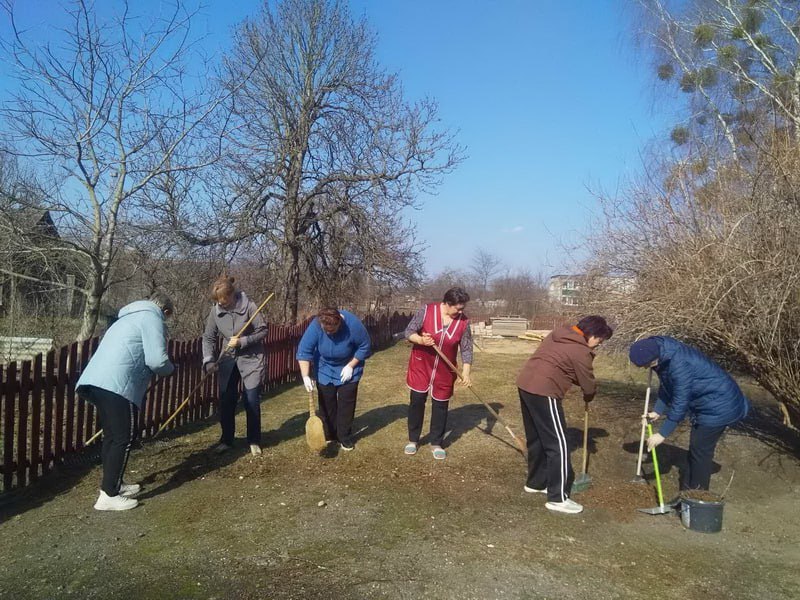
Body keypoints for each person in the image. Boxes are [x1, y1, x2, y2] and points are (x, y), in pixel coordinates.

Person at [77, 292, 175, 511]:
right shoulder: (152, 318)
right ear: (165, 311)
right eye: (168, 316)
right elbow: (157, 360)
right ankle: (108, 495)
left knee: (112, 436)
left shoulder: (127, 318)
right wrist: (171, 369)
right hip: (118, 385)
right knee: (124, 437)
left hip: (96, 381)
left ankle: (113, 484)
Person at [515, 315, 613, 515]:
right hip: (544, 390)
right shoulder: (581, 350)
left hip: (525, 385)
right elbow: (586, 381)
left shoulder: (558, 333)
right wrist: (589, 394)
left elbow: (563, 366)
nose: (597, 345)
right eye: (599, 341)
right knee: (558, 444)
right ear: (592, 334)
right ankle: (557, 498)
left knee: (537, 438)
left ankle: (535, 483)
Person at [629, 336, 750, 493]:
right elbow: (667, 385)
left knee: (700, 450)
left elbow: (680, 402)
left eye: (646, 365)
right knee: (697, 448)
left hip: (719, 405)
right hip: (709, 402)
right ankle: (688, 491)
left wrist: (662, 434)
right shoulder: (664, 354)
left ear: (654, 358)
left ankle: (698, 496)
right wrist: (658, 410)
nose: (646, 368)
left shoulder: (679, 364)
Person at [404, 287, 473, 460]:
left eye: (462, 308)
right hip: (421, 365)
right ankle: (413, 440)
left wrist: (465, 373)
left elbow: (466, 349)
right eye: (458, 308)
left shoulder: (464, 322)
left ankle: (436, 442)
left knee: (441, 406)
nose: (461, 311)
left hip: (444, 371)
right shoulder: (426, 311)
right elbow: (408, 332)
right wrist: (420, 340)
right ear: (447, 304)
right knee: (417, 401)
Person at [202, 276, 268, 456]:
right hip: (228, 359)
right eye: (218, 303)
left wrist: (243, 341)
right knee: (226, 400)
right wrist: (208, 360)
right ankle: (227, 440)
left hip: (252, 359)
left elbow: (263, 330)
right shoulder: (215, 312)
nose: (221, 305)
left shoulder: (250, 307)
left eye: (224, 302)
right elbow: (208, 337)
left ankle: (254, 440)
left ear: (232, 295)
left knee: (251, 400)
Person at [296, 307, 372, 451]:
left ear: (339, 323)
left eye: (333, 330)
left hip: (349, 367)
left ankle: (344, 436)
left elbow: (365, 346)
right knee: (327, 403)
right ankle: (330, 434)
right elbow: (304, 351)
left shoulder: (353, 325)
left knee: (346, 404)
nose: (329, 333)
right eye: (327, 330)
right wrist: (305, 376)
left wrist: (351, 365)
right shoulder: (316, 326)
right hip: (324, 368)